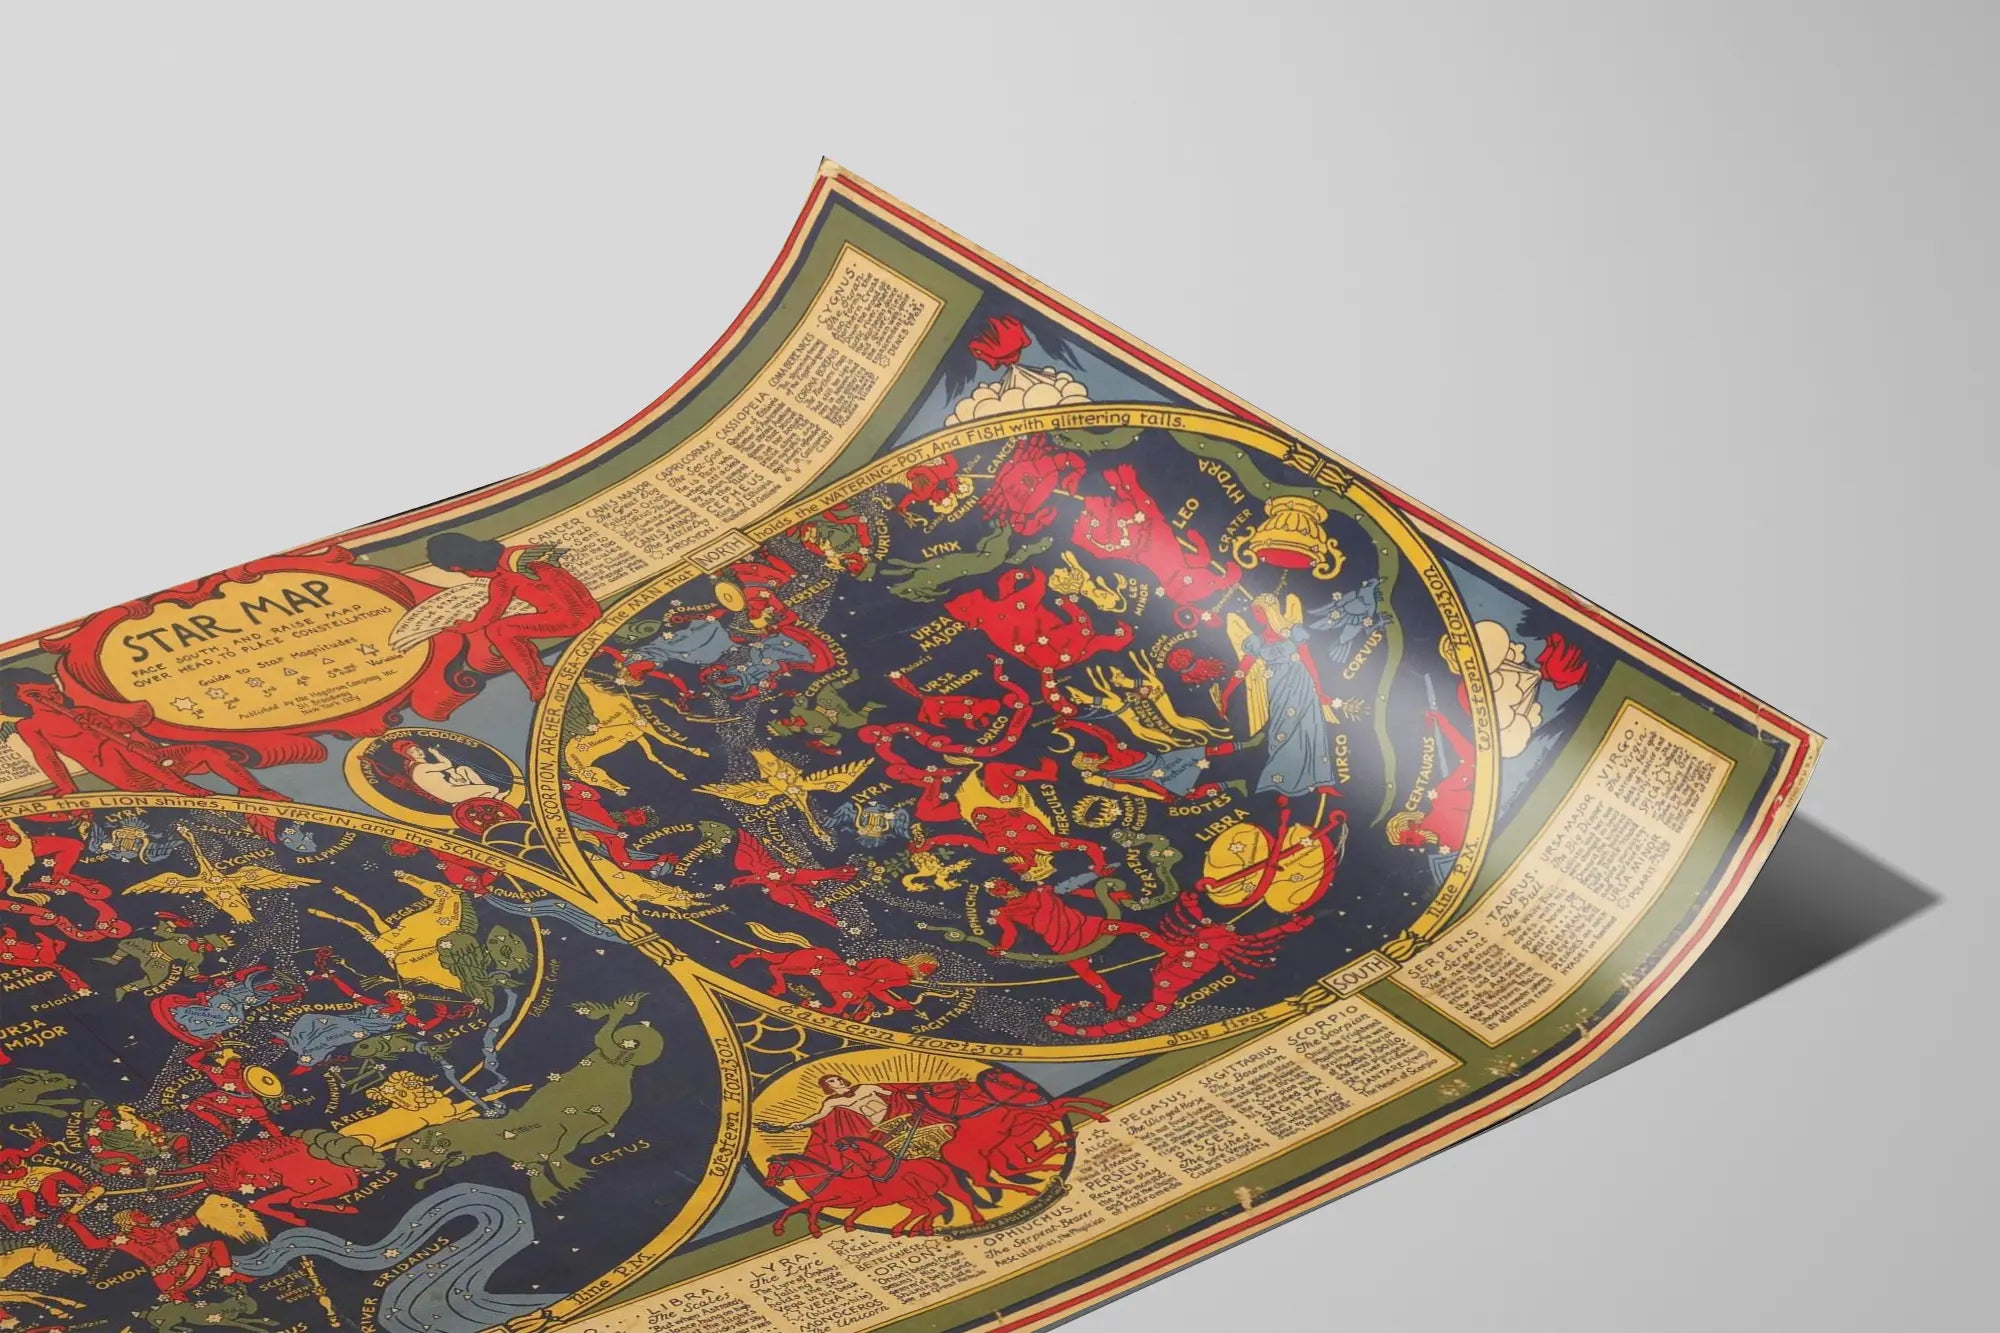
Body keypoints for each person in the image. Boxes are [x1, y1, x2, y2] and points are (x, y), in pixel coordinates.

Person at [428, 532, 599, 702]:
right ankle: (538, 672)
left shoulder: (504, 578)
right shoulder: (520, 555)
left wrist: (470, 626)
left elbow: (493, 611)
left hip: (572, 620)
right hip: (591, 610)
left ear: (460, 567)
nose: (471, 576)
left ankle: (536, 681)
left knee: (499, 630)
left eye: (463, 572)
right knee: (507, 629)